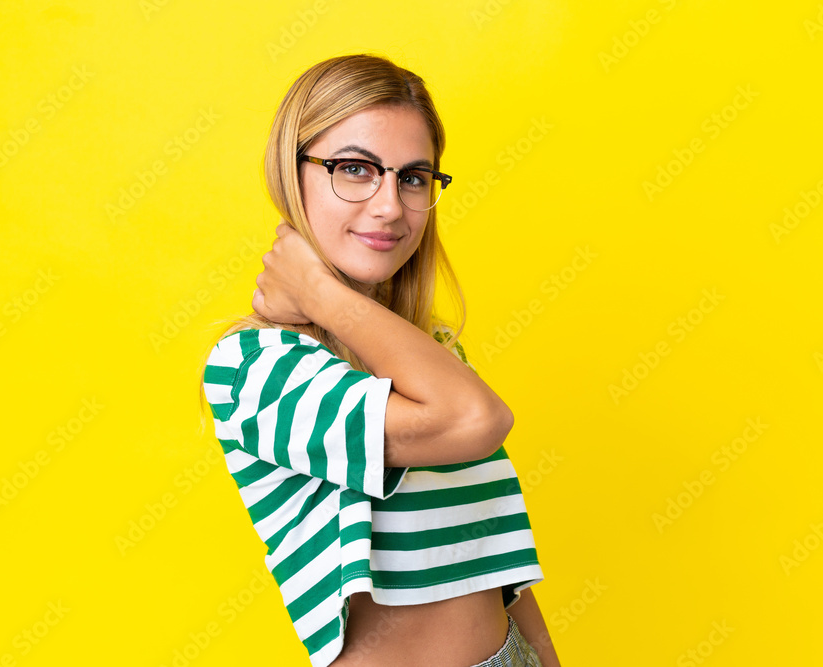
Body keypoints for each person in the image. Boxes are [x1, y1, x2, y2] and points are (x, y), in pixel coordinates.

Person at [199, 53, 560, 667]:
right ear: (293, 174)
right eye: (355, 169)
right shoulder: (256, 369)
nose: (391, 205)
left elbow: (492, 554)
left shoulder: (435, 354)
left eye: (414, 178)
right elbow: (476, 419)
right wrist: (319, 293)